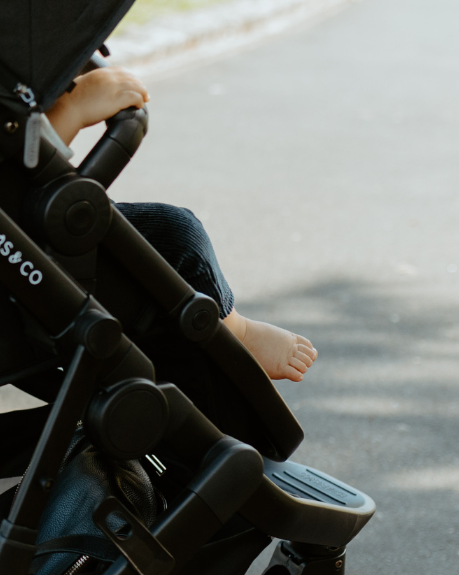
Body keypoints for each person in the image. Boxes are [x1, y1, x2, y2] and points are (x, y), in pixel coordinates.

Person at [45, 66, 319, 383]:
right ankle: (234, 332)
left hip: (4, 235)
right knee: (176, 233)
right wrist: (70, 108)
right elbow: (1, 178)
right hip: (15, 254)